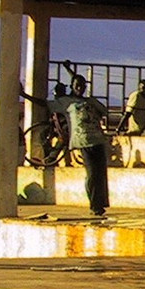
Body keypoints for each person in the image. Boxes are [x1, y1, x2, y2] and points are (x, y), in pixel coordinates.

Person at [26, 74, 112, 216]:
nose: (80, 88)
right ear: (72, 86)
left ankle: (100, 203)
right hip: (83, 141)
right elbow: (43, 103)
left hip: (98, 139)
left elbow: (104, 112)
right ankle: (94, 205)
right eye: (77, 85)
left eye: (82, 85)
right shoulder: (66, 102)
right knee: (91, 173)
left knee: (100, 173)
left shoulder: (90, 100)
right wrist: (24, 95)